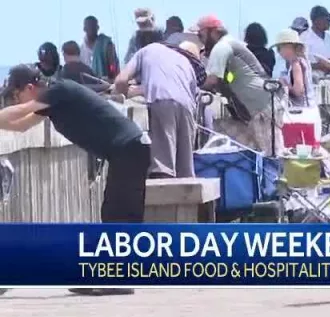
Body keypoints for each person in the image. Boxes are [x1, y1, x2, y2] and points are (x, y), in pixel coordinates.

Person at [0, 64, 149, 296]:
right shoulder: (52, 103)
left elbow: (21, 112)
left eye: (16, 95)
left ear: (30, 88)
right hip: (127, 150)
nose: (16, 101)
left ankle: (119, 279)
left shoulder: (59, 91)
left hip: (129, 148)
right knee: (113, 212)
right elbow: (21, 126)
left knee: (119, 214)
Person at [115, 29, 198, 178]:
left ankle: (165, 199)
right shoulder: (181, 58)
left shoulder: (145, 51)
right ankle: (187, 201)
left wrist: (124, 93)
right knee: (185, 171)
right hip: (187, 107)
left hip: (162, 102)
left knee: (163, 168)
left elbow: (121, 80)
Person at [197, 15, 284, 156]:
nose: (199, 38)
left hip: (261, 108)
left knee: (271, 156)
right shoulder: (230, 44)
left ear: (212, 32)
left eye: (200, 34)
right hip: (256, 108)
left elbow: (212, 80)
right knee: (221, 131)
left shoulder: (222, 47)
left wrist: (190, 86)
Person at [272, 29, 316, 109]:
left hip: (303, 110)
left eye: (280, 48)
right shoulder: (300, 61)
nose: (279, 52)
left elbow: (298, 91)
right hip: (306, 108)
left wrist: (284, 84)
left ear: (289, 47)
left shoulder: (296, 64)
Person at [303, 5, 330, 79]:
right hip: (312, 81)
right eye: (327, 19)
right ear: (317, 20)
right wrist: (320, 66)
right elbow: (301, 63)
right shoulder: (304, 38)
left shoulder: (329, 38)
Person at [81, 15, 120, 81]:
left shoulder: (106, 44)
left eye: (93, 27)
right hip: (88, 84)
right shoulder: (81, 48)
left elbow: (112, 64)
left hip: (105, 82)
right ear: (84, 29)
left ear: (97, 28)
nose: (91, 30)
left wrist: (111, 76)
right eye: (89, 27)